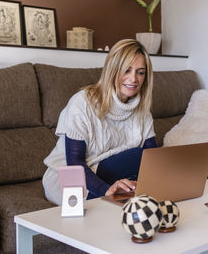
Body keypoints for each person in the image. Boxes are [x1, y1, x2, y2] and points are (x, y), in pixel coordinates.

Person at [42, 39, 158, 205]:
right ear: (113, 70)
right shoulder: (82, 103)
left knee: (152, 163)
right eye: (126, 70)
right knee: (138, 157)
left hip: (116, 176)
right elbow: (74, 162)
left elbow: (153, 155)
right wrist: (106, 190)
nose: (133, 79)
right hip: (71, 180)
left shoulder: (142, 110)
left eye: (140, 72)